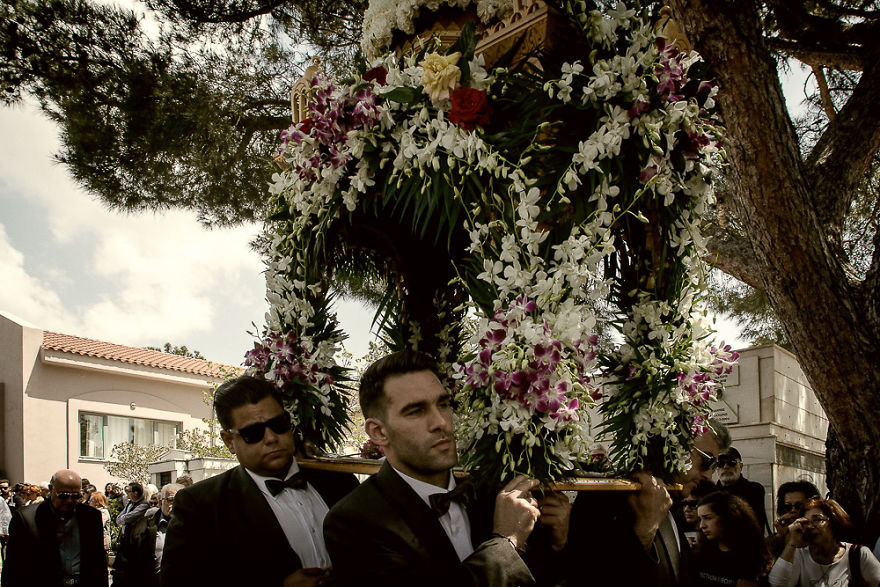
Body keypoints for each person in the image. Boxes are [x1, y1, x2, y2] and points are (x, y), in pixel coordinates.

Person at [324, 351, 570, 587]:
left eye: (443, 404)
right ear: (379, 432)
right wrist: (506, 541)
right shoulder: (353, 522)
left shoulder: (490, 493)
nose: (441, 422)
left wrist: (557, 544)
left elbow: (533, 577)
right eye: (416, 411)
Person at [161, 375, 358, 587]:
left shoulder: (340, 481)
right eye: (253, 432)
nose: (271, 438)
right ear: (229, 441)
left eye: (278, 424)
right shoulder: (201, 506)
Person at [564, 418, 731, 586]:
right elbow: (588, 577)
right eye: (707, 461)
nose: (708, 475)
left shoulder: (675, 502)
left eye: (714, 466)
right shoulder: (602, 498)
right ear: (673, 444)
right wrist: (645, 528)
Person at [1, 468, 109, 586]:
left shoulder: (91, 516)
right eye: (63, 495)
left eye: (75, 496)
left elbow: (98, 560)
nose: (69, 500)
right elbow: (13, 564)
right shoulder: (27, 518)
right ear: (51, 489)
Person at [768, 497, 880, 586]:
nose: (810, 526)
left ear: (834, 522)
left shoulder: (858, 554)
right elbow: (777, 584)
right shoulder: (800, 554)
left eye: (817, 520)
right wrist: (792, 542)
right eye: (806, 522)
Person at [689, 491, 772, 586]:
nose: (702, 526)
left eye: (708, 518)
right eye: (700, 519)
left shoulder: (750, 557)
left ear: (727, 517)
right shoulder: (702, 552)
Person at [113, 483, 182, 587]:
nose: (175, 504)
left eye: (180, 500)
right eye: (171, 500)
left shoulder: (194, 528)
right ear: (160, 502)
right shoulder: (143, 527)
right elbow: (125, 563)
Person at [715, 447, 770, 535]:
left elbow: (757, 524)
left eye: (731, 463)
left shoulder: (754, 490)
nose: (726, 467)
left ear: (740, 466)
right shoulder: (711, 493)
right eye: (720, 463)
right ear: (716, 468)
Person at [770, 481, 820, 556]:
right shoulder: (776, 539)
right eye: (788, 507)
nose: (793, 510)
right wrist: (781, 537)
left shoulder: (820, 535)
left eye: (798, 506)